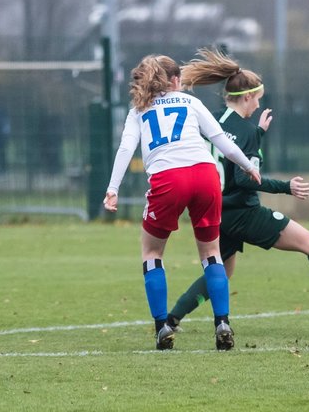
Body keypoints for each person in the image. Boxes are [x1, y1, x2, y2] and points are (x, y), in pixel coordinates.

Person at [163, 49, 309, 330]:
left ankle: (172, 318)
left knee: (221, 270)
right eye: (258, 98)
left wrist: (257, 134)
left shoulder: (210, 120)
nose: (258, 105)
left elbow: (225, 151)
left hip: (214, 211)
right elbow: (246, 178)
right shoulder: (246, 131)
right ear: (247, 96)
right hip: (244, 212)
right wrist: (287, 186)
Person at [104, 54, 262, 351]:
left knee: (152, 252)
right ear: (176, 80)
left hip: (168, 180)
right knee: (212, 253)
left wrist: (113, 188)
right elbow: (220, 140)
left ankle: (162, 327)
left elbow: (126, 147)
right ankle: (222, 322)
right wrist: (247, 166)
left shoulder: (139, 108)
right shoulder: (190, 102)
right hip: (205, 175)